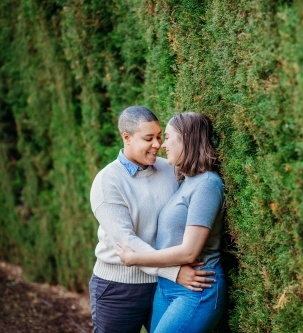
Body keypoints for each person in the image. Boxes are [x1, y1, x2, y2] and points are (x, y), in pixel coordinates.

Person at [89, 106, 215, 333]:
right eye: (149, 138)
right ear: (126, 138)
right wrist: (174, 271)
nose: (158, 144)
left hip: (163, 286)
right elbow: (126, 243)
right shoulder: (107, 181)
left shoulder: (170, 169)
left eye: (159, 136)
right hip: (119, 288)